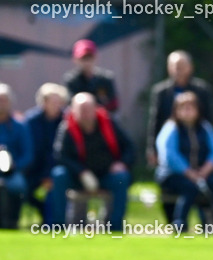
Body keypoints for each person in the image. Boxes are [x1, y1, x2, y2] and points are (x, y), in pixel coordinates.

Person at [51, 93, 134, 232]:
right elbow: (60, 155)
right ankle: (58, 225)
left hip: (106, 175)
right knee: (59, 175)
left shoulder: (109, 123)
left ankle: (115, 226)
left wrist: (122, 163)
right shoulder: (66, 128)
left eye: (88, 109)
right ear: (73, 110)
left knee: (122, 178)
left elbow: (129, 148)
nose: (85, 114)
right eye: (81, 109)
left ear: (95, 109)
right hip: (78, 177)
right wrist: (81, 172)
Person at [156, 92, 213, 229]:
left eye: (191, 107)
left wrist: (206, 170)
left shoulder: (205, 128)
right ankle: (180, 223)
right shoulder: (171, 128)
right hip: (174, 175)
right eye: (183, 107)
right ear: (176, 110)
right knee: (190, 187)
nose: (187, 111)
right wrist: (188, 172)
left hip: (202, 173)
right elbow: (169, 155)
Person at [148, 51, 213, 167]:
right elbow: (155, 121)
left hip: (197, 146)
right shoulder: (161, 92)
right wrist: (152, 148)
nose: (177, 70)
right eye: (173, 66)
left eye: (180, 66)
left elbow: (210, 119)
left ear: (190, 67)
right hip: (172, 144)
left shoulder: (202, 90)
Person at [24, 83, 69, 223]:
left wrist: (48, 176)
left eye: (59, 102)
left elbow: (63, 152)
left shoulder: (67, 120)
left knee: (55, 187)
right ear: (43, 102)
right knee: (21, 190)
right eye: (53, 102)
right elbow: (30, 150)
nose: (57, 105)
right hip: (33, 170)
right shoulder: (31, 121)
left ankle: (52, 225)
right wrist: (41, 176)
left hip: (56, 170)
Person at [0, 84, 33, 228]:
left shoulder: (20, 126)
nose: (2, 103)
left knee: (18, 185)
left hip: (13, 171)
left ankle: (12, 221)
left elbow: (28, 154)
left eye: (4, 100)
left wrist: (14, 166)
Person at [63, 39, 118, 113]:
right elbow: (70, 104)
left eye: (90, 58)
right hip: (79, 119)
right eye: (83, 59)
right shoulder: (71, 79)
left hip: (102, 119)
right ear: (75, 59)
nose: (87, 62)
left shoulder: (106, 78)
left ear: (95, 58)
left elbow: (113, 105)